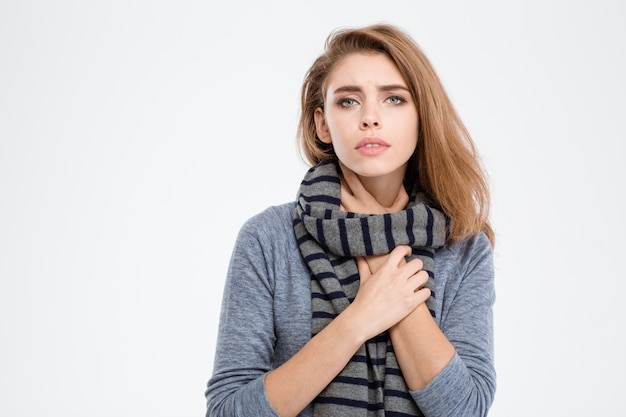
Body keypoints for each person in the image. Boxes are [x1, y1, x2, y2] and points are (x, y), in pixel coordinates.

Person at [205, 23, 496, 417]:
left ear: (421, 117)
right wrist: (357, 321)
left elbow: (464, 409)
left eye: (394, 99)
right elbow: (227, 412)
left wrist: (376, 244)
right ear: (322, 124)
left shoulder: (463, 247)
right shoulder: (267, 239)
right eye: (348, 101)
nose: (370, 117)